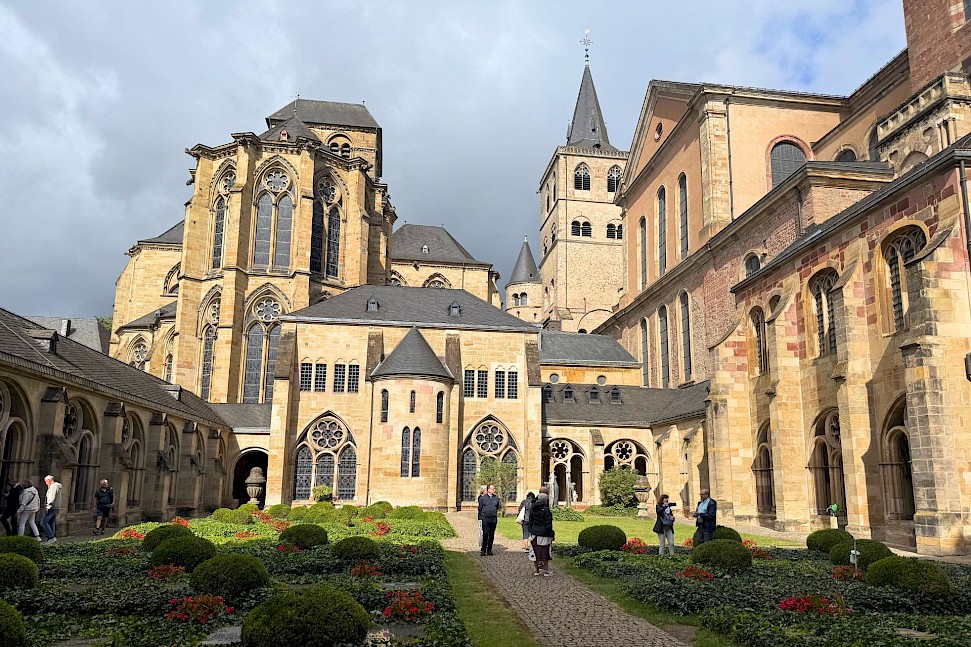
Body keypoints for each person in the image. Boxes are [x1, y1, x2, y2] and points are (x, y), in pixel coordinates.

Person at [528, 487, 555, 576]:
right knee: (545, 551)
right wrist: (551, 534)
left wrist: (531, 530)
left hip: (534, 532)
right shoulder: (546, 511)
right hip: (544, 533)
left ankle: (537, 570)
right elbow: (548, 524)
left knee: (535, 550)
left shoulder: (533, 508)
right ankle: (546, 570)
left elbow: (530, 521)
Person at [478, 484, 501, 556]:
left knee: (491, 534)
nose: (494, 490)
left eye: (494, 489)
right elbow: (480, 508)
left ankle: (489, 549)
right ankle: (483, 549)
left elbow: (497, 507)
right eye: (493, 489)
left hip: (493, 518)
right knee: (485, 533)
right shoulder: (483, 498)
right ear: (489, 490)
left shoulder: (496, 498)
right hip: (485, 518)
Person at [40, 474, 62, 544]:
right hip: (55, 507)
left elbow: (51, 498)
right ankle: (52, 537)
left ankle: (51, 537)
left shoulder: (53, 487)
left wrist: (47, 507)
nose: (45, 483)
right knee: (51, 522)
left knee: (43, 522)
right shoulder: (56, 487)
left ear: (49, 481)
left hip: (52, 507)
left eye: (46, 481)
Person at [476, 485, 487, 549]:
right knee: (481, 531)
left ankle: (485, 543)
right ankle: (482, 543)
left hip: (486, 517)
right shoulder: (480, 497)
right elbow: (480, 508)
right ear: (483, 491)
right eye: (486, 489)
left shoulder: (487, 497)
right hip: (481, 517)